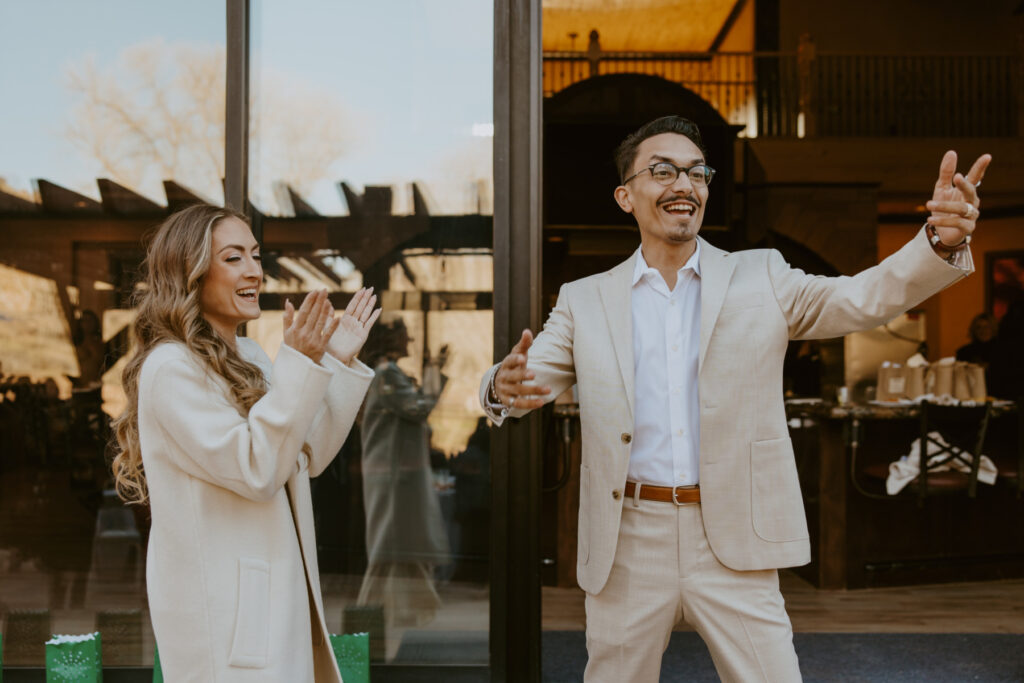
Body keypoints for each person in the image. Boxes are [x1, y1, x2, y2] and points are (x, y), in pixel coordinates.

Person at [479, 115, 989, 682]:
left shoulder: (762, 275)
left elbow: (861, 298)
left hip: (734, 538)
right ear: (626, 196)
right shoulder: (584, 300)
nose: (684, 184)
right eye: (663, 170)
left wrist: (941, 240)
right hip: (627, 542)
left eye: (697, 172)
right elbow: (529, 383)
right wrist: (504, 388)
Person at [111, 204, 381, 681]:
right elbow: (256, 469)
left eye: (256, 255)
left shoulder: (251, 354)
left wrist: (334, 360)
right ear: (190, 273)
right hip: (226, 612)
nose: (255, 270)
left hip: (277, 598)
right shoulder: (170, 368)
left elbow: (303, 454)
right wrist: (298, 362)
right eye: (233, 258)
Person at [357, 318, 450, 636]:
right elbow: (418, 407)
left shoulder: (387, 374)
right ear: (391, 341)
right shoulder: (387, 374)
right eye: (404, 336)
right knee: (389, 548)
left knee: (398, 549)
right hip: (395, 477)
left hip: (396, 473)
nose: (410, 342)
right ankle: (370, 620)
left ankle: (402, 615)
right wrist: (435, 372)